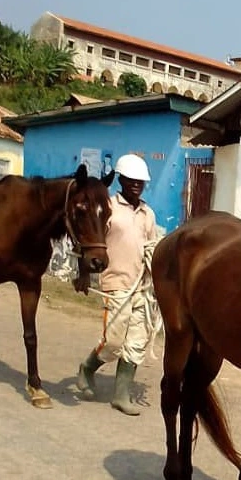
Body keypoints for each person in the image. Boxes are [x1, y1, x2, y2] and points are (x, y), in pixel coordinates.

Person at [77, 152, 162, 415]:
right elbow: (88, 240)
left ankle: (121, 395)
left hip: (141, 286)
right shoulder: (109, 208)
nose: (136, 184)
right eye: (131, 180)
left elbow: (151, 247)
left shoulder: (148, 213)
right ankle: (87, 368)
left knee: (136, 342)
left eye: (140, 181)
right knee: (113, 341)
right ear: (121, 180)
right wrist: (83, 274)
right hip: (116, 283)